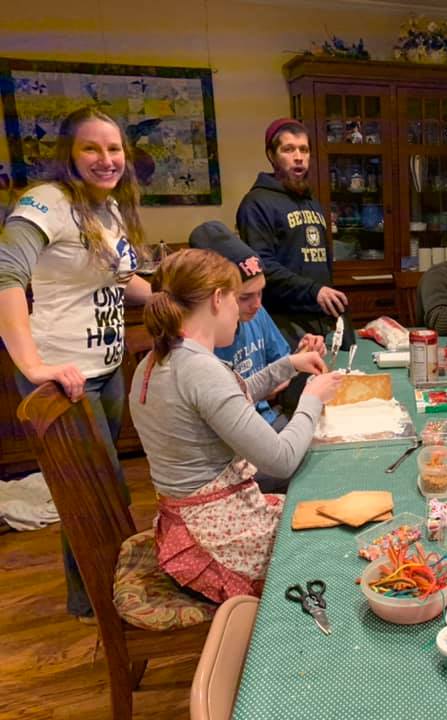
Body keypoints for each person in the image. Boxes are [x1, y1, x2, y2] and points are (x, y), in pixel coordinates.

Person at [0, 106, 152, 620]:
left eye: (114, 149)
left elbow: (119, 279)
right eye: (92, 148)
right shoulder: (47, 203)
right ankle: (97, 603)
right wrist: (33, 365)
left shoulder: (104, 210)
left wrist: (168, 304)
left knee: (104, 489)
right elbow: (5, 277)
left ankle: (97, 594)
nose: (106, 159)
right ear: (69, 153)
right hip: (65, 378)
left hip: (104, 370)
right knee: (93, 492)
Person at [129, 248, 341, 602]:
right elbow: (282, 458)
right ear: (217, 299)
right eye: (234, 299)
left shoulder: (159, 360)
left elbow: (229, 400)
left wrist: (288, 364)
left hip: (189, 524)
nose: (239, 316)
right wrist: (313, 398)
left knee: (317, 508)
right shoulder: (200, 370)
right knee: (331, 540)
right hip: (215, 537)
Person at [188, 220, 326, 430]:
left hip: (268, 420)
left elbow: (279, 376)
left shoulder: (257, 313)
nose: (257, 304)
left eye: (261, 292)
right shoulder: (197, 346)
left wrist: (301, 355)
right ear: (216, 298)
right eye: (245, 297)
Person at [236, 118, 351, 350]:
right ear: (272, 155)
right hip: (284, 323)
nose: (298, 156)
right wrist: (313, 290)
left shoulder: (312, 202)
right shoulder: (256, 203)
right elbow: (262, 265)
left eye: (304, 149)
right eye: (288, 149)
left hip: (322, 318)